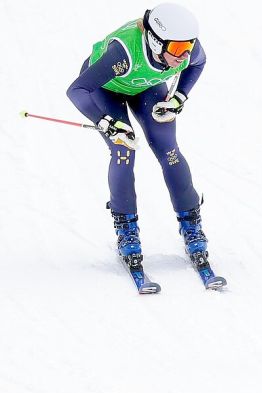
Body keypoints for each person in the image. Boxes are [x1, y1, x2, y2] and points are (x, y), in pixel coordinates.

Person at [66, 3, 217, 283]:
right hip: (105, 89)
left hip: (144, 86)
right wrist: (105, 122)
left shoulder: (185, 50)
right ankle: (126, 230)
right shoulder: (121, 53)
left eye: (188, 46)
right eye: (176, 49)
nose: (183, 55)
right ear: (155, 40)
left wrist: (178, 97)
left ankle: (192, 225)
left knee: (168, 149)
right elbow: (77, 90)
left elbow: (198, 62)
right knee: (124, 151)